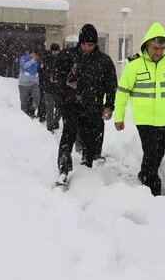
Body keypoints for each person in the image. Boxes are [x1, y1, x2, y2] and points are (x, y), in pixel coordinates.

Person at [114, 22, 165, 196]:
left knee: (158, 151)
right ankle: (151, 185)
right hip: (145, 119)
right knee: (151, 152)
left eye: (161, 48)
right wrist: (119, 116)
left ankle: (145, 173)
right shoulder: (134, 65)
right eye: (155, 48)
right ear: (147, 44)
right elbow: (123, 91)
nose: (158, 52)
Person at [55, 24, 117, 185]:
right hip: (71, 105)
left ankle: (86, 167)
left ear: (96, 44)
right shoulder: (69, 56)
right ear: (80, 42)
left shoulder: (104, 61)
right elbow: (55, 76)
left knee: (89, 142)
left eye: (90, 45)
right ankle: (63, 169)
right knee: (68, 136)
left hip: (92, 108)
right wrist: (66, 82)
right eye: (84, 44)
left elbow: (111, 85)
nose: (87, 48)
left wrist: (109, 105)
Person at [38, 43, 62, 131]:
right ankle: (50, 126)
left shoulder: (62, 59)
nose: (55, 53)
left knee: (60, 108)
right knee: (50, 109)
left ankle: (55, 121)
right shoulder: (46, 59)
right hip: (48, 88)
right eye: (54, 51)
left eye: (57, 51)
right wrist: (49, 76)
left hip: (59, 88)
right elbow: (41, 71)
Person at [18, 48, 40, 118]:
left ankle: (31, 111)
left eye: (35, 53)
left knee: (37, 98)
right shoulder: (23, 58)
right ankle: (24, 117)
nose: (34, 54)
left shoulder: (37, 60)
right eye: (32, 53)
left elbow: (36, 71)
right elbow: (24, 66)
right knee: (24, 102)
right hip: (23, 84)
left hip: (34, 84)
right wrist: (33, 60)